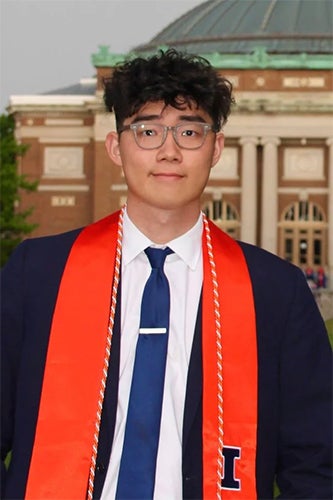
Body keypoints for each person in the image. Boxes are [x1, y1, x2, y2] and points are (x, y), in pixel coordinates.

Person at [1, 49, 332, 500]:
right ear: (116, 148)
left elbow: (315, 462)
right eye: (148, 130)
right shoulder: (38, 275)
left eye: (190, 131)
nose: (169, 151)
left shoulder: (274, 292)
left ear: (216, 148)